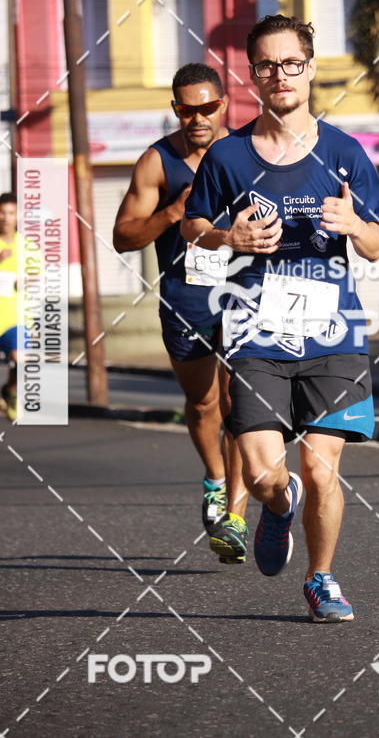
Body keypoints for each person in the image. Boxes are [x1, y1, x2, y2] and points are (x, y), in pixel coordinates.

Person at [182, 15, 379, 622]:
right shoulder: (229, 155)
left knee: (322, 471)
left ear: (311, 67)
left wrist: (354, 227)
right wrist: (228, 235)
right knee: (264, 472)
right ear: (254, 76)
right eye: (267, 66)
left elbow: (377, 244)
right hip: (254, 331)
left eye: (291, 62)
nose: (280, 75)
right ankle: (275, 508)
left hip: (334, 332)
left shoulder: (346, 152)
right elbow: (194, 228)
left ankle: (321, 579)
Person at [113, 63, 248, 563]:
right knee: (204, 404)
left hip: (241, 294)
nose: (198, 118)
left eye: (207, 107)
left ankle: (234, 516)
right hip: (185, 298)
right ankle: (214, 477)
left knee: (240, 405)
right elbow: (123, 237)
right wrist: (172, 212)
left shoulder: (246, 153)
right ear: (176, 110)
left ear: (224, 104)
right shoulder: (157, 162)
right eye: (187, 109)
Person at [0, 192, 22, 422]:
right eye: (2, 212)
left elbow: (40, 274)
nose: (6, 218)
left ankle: (9, 389)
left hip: (14, 316)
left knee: (22, 360)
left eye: (11, 213)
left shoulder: (26, 245)